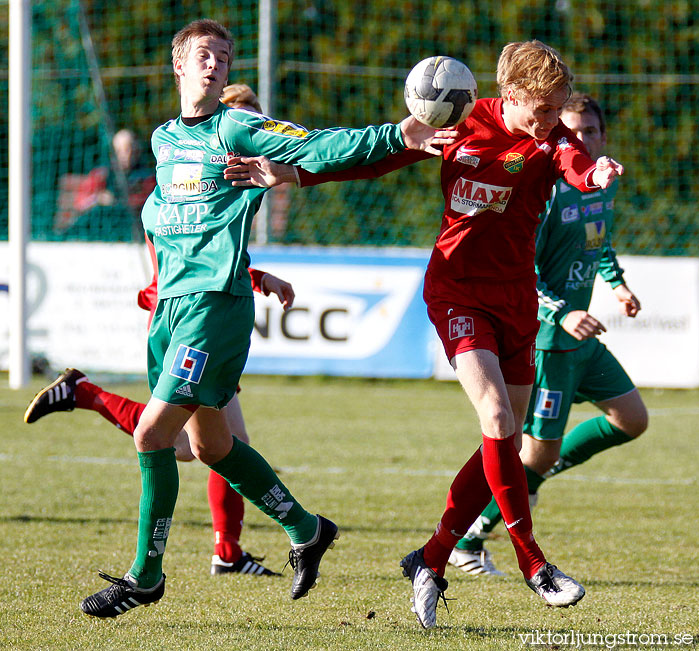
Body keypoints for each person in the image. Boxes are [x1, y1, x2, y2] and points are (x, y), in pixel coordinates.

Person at [229, 40, 624, 629]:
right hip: (457, 291)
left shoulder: (552, 139)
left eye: (558, 113)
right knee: (495, 418)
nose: (551, 124)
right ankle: (534, 564)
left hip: (516, 300)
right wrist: (292, 172)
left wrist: (595, 170)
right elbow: (377, 158)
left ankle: (430, 557)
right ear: (510, 96)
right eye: (542, 111)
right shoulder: (459, 121)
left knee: (508, 440)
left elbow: (573, 160)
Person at [75, 18, 445, 619]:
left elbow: (316, 145)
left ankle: (145, 577)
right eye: (202, 54)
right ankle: (306, 529)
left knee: (152, 436)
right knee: (214, 446)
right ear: (177, 64)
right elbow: (185, 223)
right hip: (171, 308)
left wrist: (395, 134)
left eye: (223, 56)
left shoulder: (238, 126)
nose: (214, 64)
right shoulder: (164, 139)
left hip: (213, 309)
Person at [447, 92, 648, 576]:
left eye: (591, 132)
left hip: (581, 336)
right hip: (550, 338)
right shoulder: (548, 189)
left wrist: (617, 285)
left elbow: (600, 241)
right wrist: (561, 314)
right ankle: (470, 538)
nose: (581, 140)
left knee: (631, 419)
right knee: (535, 450)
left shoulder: (602, 186)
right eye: (573, 132)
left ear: (603, 137)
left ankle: (526, 483)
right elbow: (521, 270)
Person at [23, 265, 294, 578]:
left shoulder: (171, 216)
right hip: (191, 316)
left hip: (202, 310)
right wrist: (258, 278)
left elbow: (205, 248)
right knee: (184, 442)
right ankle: (84, 393)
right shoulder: (169, 215)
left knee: (224, 441)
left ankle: (228, 551)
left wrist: (256, 279)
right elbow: (199, 251)